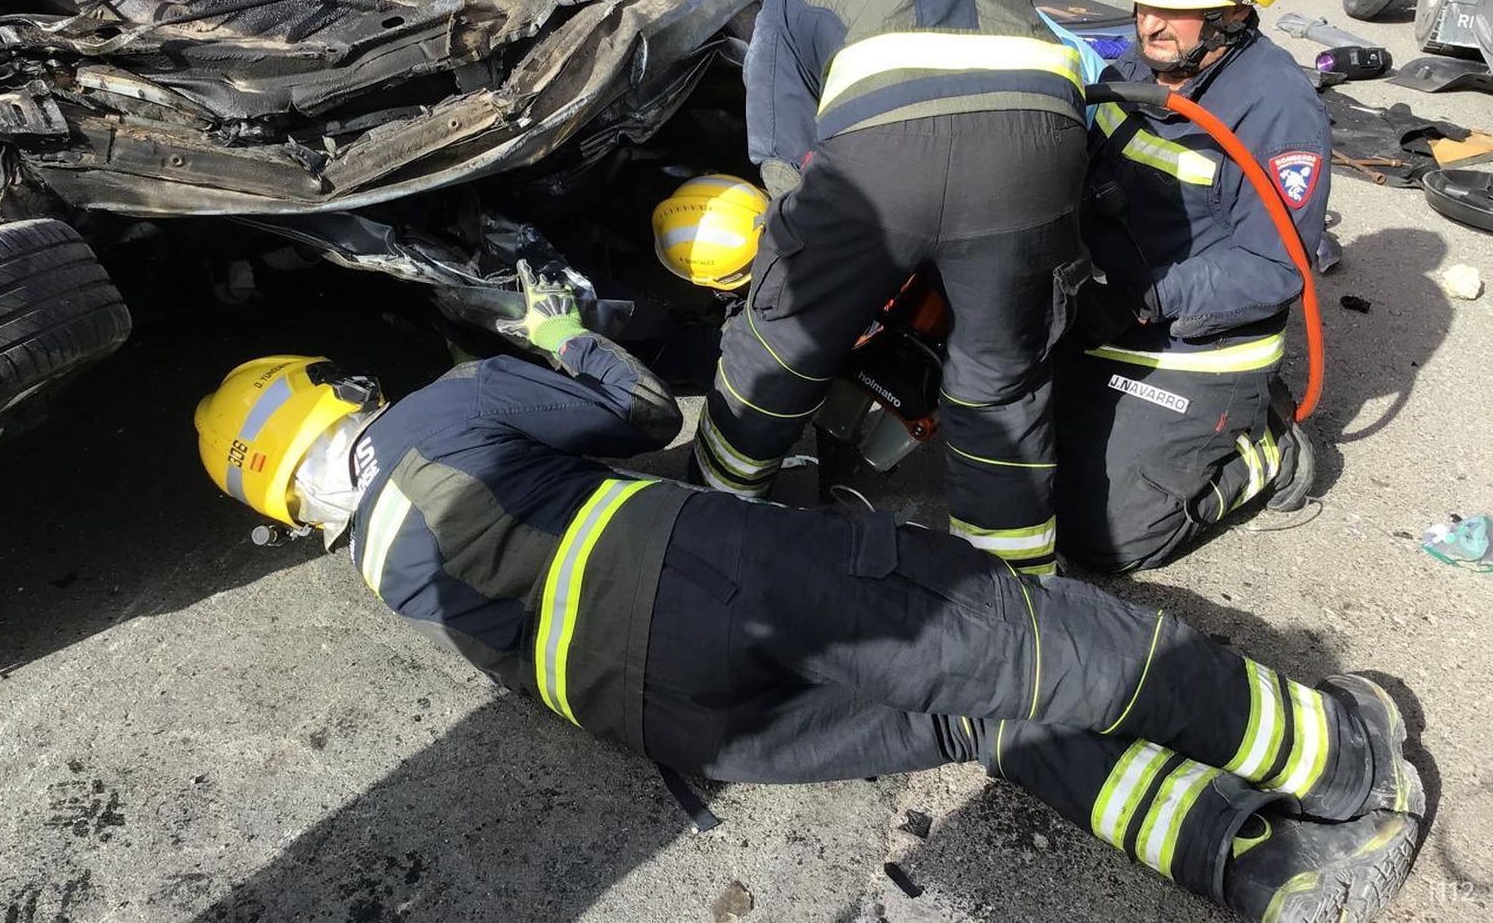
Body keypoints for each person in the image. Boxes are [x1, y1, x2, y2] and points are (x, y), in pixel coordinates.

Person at [195, 262, 1424, 923]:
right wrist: (553, 330)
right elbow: (632, 412)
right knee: (1027, 644)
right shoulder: (430, 413)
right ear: (336, 395)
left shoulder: (381, 572)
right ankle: (1341, 760)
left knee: (974, 720)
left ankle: (1258, 871)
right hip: (709, 582)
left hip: (668, 720)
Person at [687, 0, 1089, 576]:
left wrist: (810, 270)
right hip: (1042, 150)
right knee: (1001, 379)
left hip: (886, 156)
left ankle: (712, 511)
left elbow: (785, 158)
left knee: (783, 339)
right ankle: (1019, 599)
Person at [1054, 0, 1331, 573]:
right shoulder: (1146, 61)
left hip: (1193, 341)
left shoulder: (1276, 109)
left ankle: (1262, 443)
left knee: (1103, 538)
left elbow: (1273, 268)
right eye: (1145, 4)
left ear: (1233, 14)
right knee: (1005, 439)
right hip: (1102, 305)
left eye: (1176, 12)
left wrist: (1145, 296)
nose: (1149, 24)